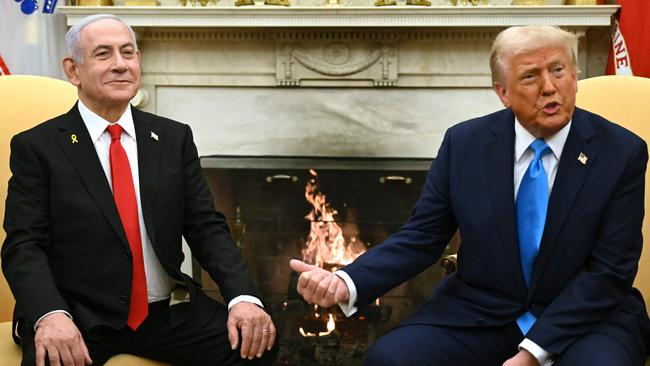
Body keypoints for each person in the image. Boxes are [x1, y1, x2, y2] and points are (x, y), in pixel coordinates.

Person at [290, 25, 650, 366]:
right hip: (483, 313)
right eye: (530, 76)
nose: (549, 87)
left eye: (558, 70)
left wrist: (532, 352)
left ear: (574, 77)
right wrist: (345, 281)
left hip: (588, 318)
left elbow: (609, 272)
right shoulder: (465, 144)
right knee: (392, 359)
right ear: (502, 92)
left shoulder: (621, 152)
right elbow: (422, 237)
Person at [2, 14, 277, 366]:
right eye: (103, 54)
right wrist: (50, 313)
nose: (120, 65)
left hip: (165, 314)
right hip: (79, 316)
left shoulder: (173, 138)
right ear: (73, 70)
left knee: (258, 345)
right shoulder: (38, 146)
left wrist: (243, 298)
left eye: (128, 53)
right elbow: (24, 245)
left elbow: (206, 226)